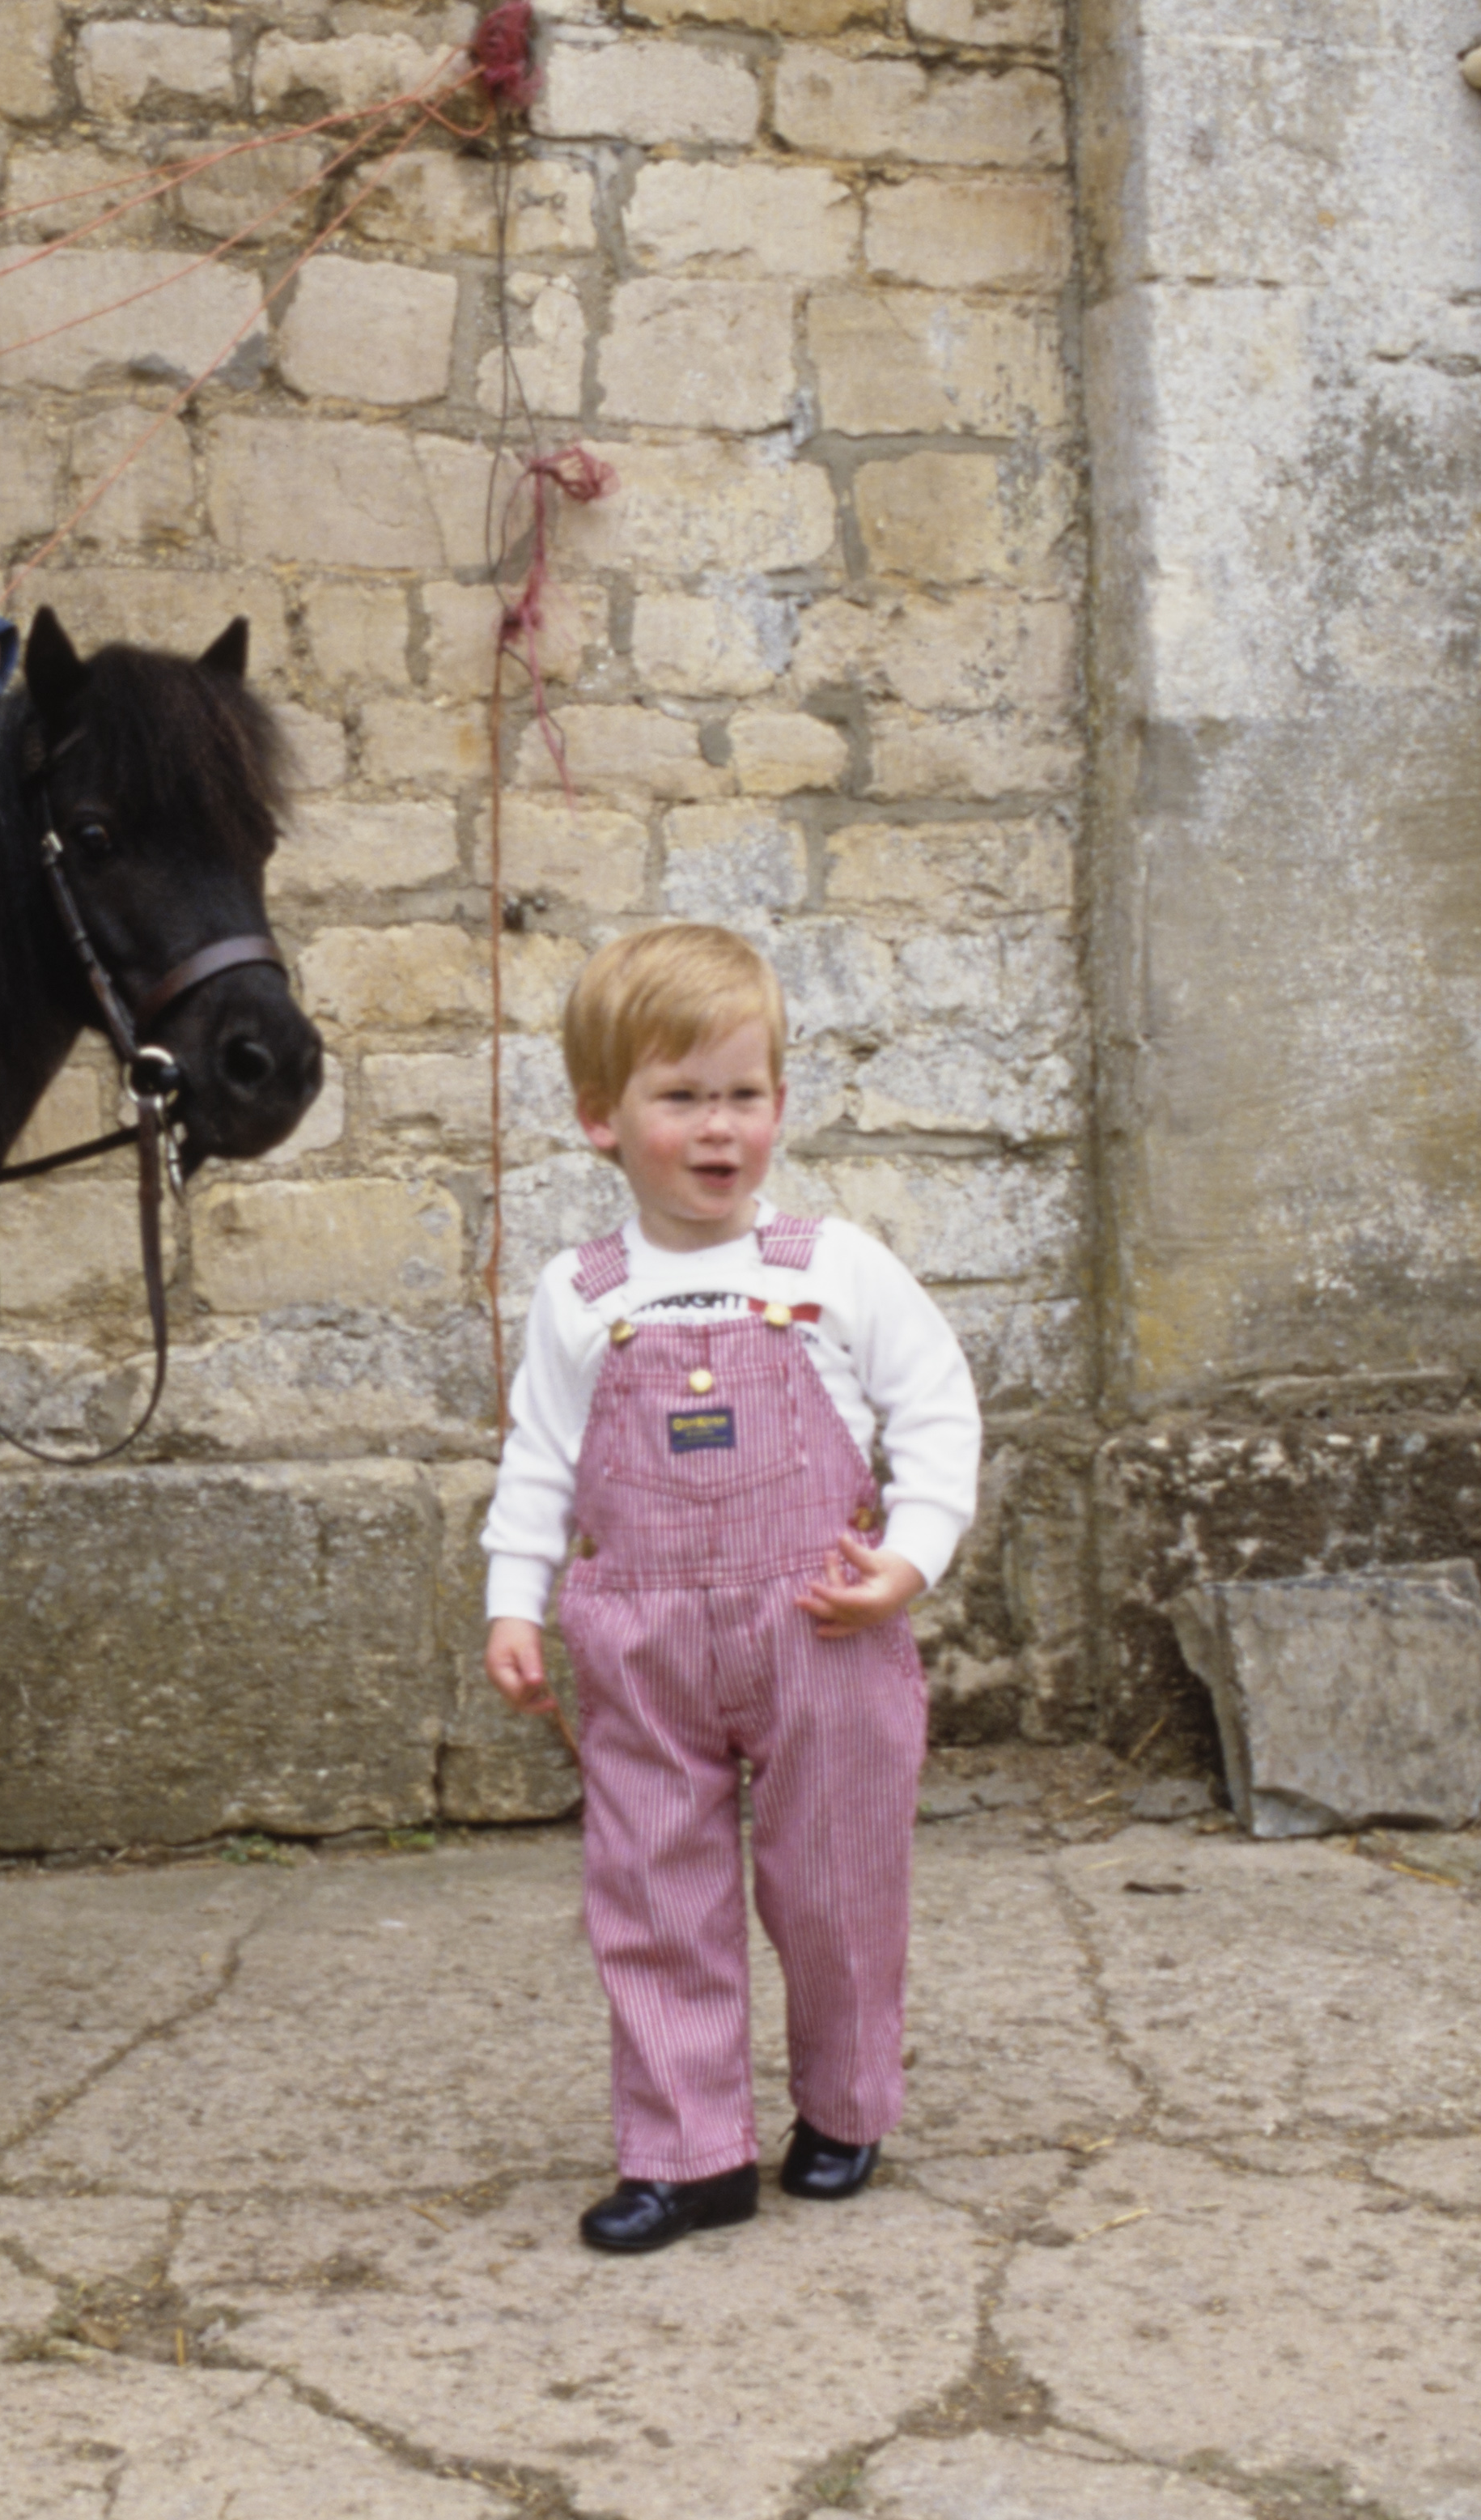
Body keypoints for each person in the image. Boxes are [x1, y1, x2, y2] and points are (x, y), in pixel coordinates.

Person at [481, 922, 980, 2253]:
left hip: (821, 1626)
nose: (718, 1129)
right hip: (641, 1639)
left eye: (742, 1095)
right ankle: (686, 2151)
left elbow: (936, 1410)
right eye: (679, 1096)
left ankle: (844, 2107)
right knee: (653, 1892)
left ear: (778, 1105)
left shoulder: (829, 1267)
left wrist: (910, 1556)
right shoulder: (579, 1294)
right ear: (599, 1117)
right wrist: (511, 1600)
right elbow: (539, 1456)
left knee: (835, 1885)